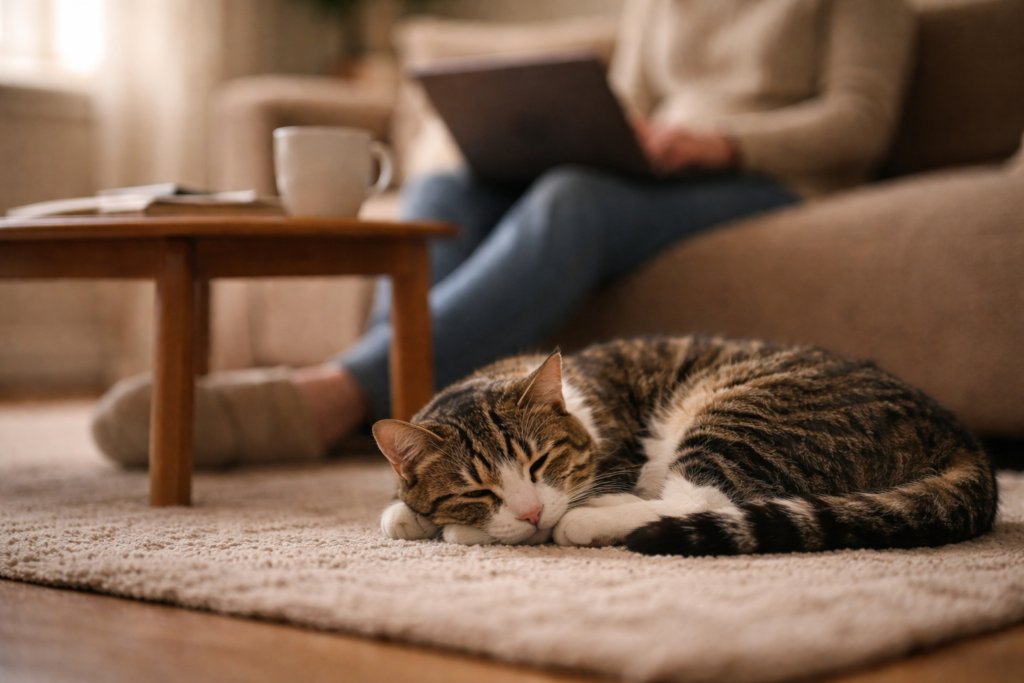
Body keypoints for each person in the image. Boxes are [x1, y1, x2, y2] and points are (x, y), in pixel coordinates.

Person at [92, 0, 915, 467]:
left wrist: (722, 141)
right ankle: (400, 408)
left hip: (766, 177)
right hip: (654, 168)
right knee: (452, 178)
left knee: (573, 200)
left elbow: (861, 123)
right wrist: (611, 131)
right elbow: (623, 99)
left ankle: (335, 397)